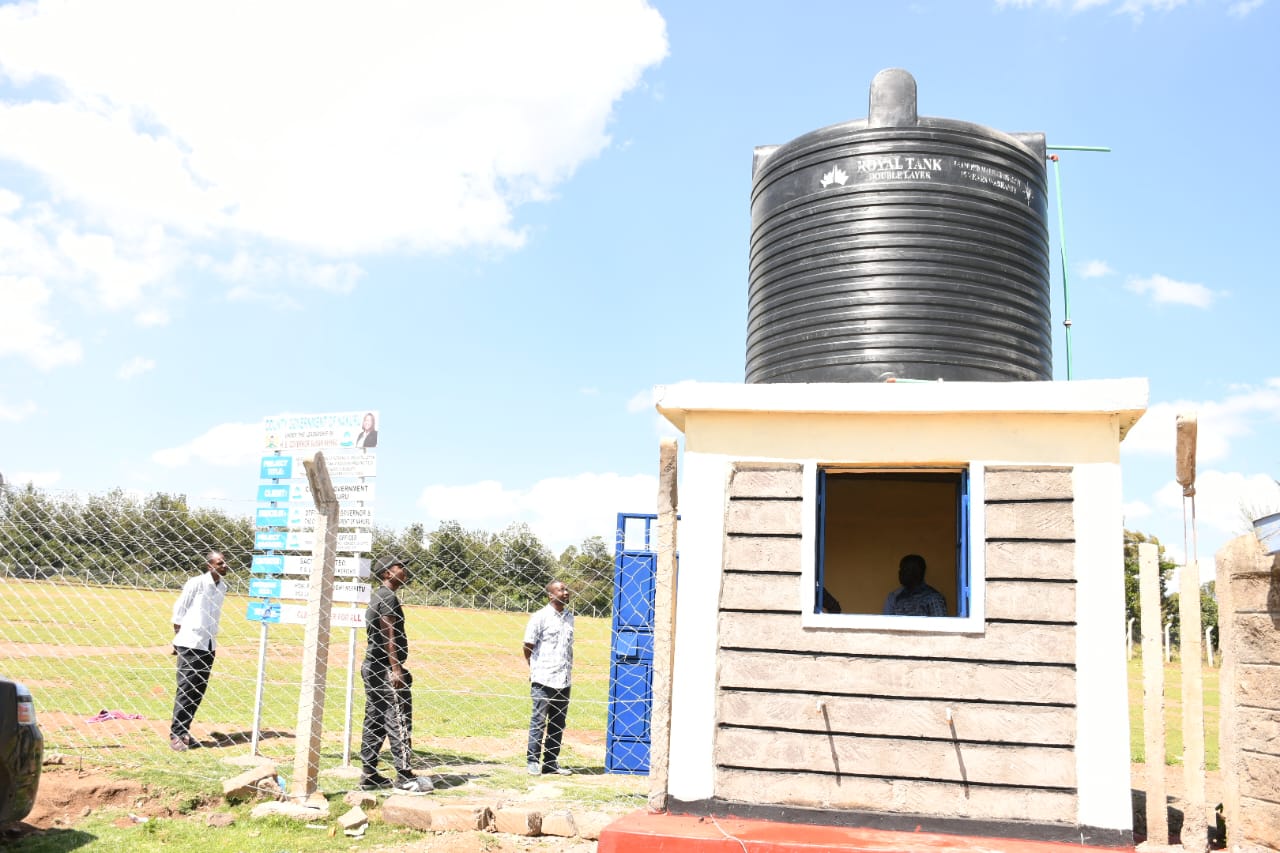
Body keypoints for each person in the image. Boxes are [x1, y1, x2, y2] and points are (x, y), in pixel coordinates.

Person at [359, 557, 430, 792]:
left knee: (375, 720)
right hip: (385, 668)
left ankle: (369, 774)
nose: (405, 570)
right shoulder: (388, 597)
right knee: (398, 719)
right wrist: (396, 669)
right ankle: (404, 776)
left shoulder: (378, 596)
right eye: (400, 567)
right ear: (388, 573)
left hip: (373, 666)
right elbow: (389, 634)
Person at [170, 550, 229, 751]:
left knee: (198, 691)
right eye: (220, 563)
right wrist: (177, 639)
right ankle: (176, 734)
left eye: (225, 563)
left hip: (209, 644)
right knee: (186, 689)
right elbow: (180, 609)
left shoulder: (223, 587)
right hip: (190, 642)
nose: (224, 566)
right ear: (209, 566)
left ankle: (185, 731)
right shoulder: (196, 583)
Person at [523, 580, 575, 776]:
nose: (566, 592)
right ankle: (532, 760)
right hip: (543, 678)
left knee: (558, 723)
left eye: (566, 589)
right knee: (538, 720)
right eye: (561, 590)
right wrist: (535, 668)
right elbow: (528, 646)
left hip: (564, 679)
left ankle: (551, 762)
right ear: (550, 595)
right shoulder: (540, 617)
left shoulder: (570, 618)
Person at [882, 553, 947, 616]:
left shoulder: (933, 598)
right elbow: (887, 624)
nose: (900, 573)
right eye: (900, 569)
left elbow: (940, 626)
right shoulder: (895, 596)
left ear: (917, 572)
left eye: (905, 569)